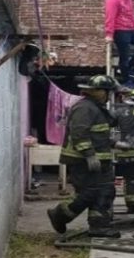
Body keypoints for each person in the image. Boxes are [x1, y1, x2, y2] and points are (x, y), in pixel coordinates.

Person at [47, 75, 122, 238]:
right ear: (98, 91)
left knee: (105, 191)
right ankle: (60, 214)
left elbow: (99, 133)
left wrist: (115, 143)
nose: (109, 96)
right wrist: (89, 155)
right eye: (107, 92)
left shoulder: (97, 108)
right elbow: (79, 133)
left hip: (100, 160)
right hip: (83, 161)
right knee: (89, 193)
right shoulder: (84, 108)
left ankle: (99, 227)